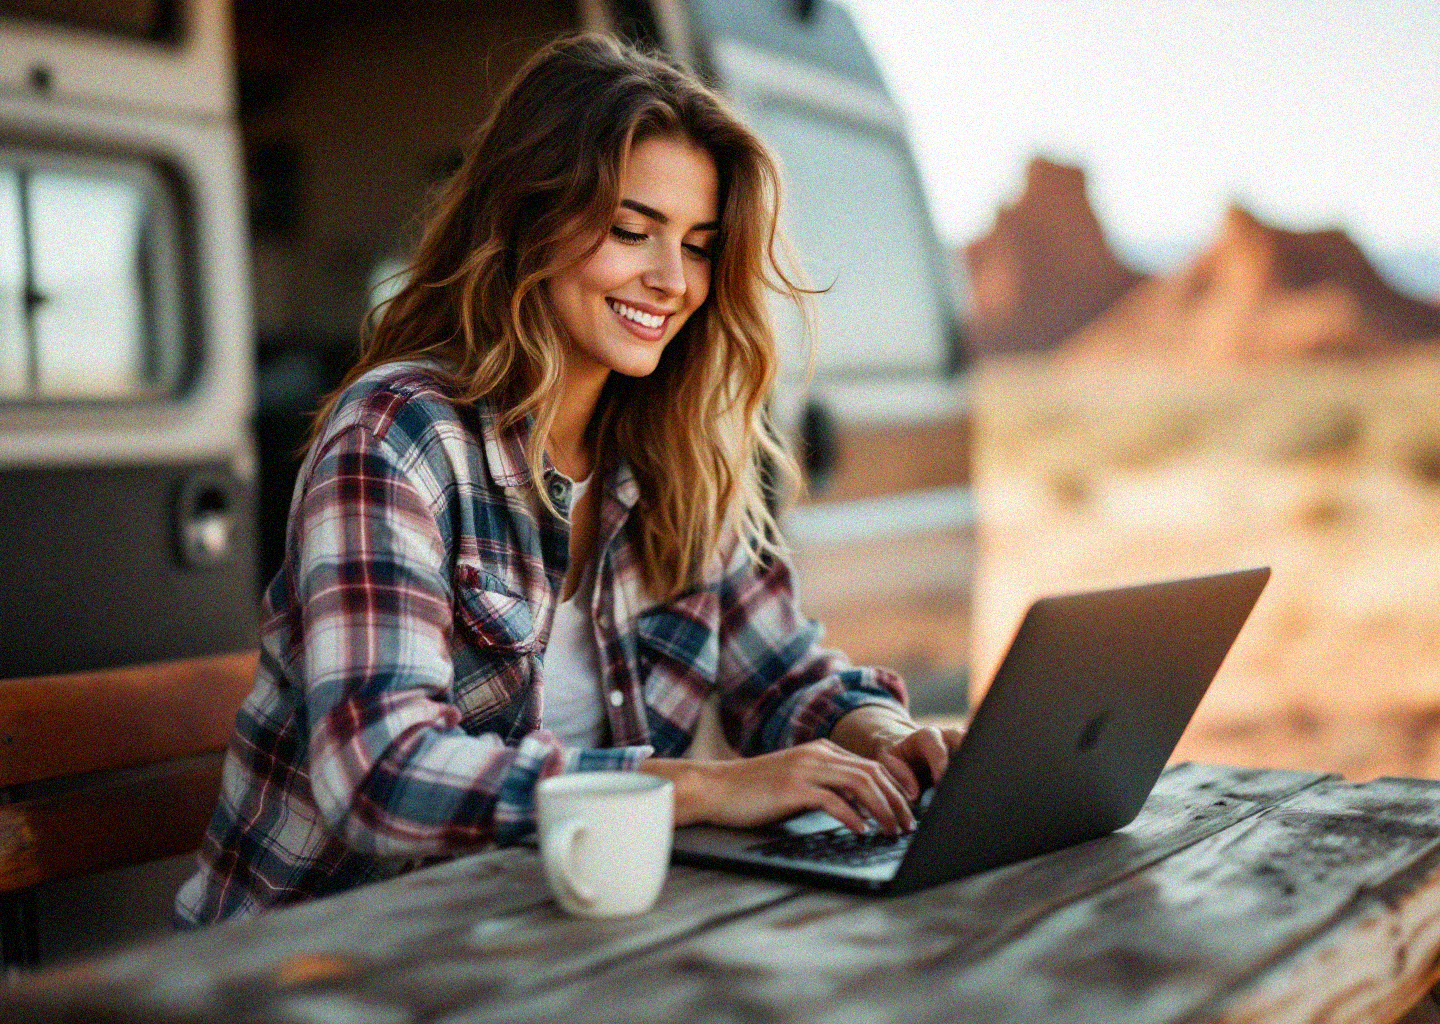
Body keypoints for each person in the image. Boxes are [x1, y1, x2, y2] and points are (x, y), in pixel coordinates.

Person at [176, 32, 962, 925]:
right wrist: (696, 789)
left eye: (700, 245)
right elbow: (381, 774)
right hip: (311, 962)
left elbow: (781, 674)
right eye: (633, 232)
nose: (672, 280)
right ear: (528, 220)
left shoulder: (673, 451)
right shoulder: (398, 436)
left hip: (537, 940)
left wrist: (881, 733)